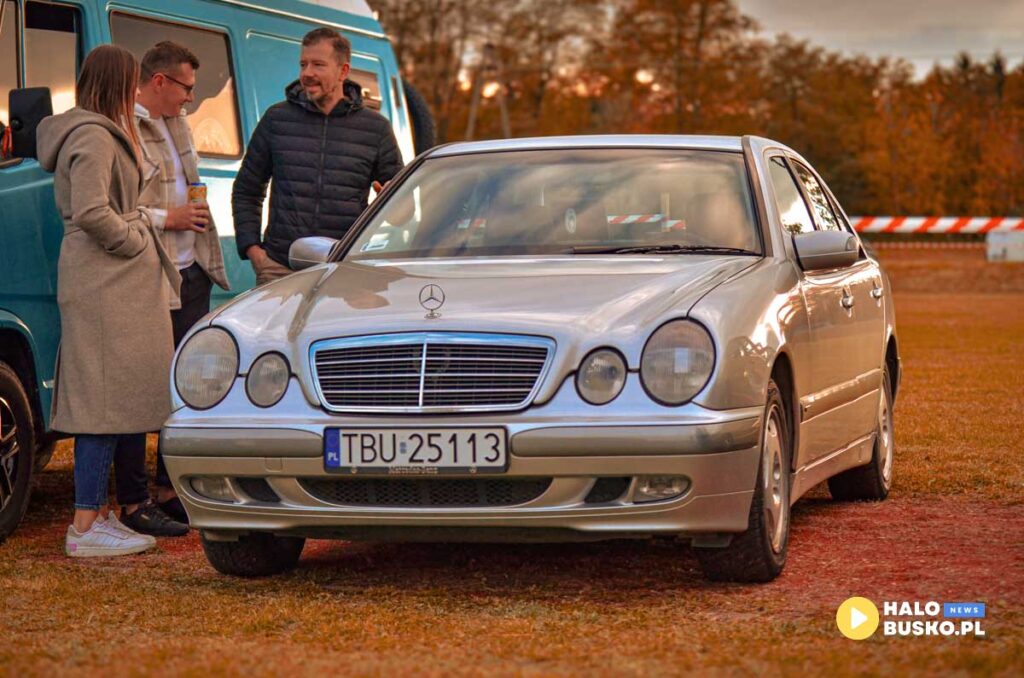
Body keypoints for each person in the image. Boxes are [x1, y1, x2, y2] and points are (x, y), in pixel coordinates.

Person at [37, 44, 181, 557]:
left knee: (114, 396)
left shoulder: (98, 132)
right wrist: (134, 239)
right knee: (100, 400)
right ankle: (83, 526)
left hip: (110, 282)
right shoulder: (94, 137)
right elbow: (93, 211)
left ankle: (98, 513)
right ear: (117, 83)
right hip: (104, 280)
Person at [113, 41, 231, 532]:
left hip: (192, 271)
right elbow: (119, 211)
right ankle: (133, 500)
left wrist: (193, 217)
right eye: (185, 87)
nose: (191, 97)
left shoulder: (178, 124)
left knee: (185, 387)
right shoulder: (126, 128)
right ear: (158, 81)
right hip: (152, 274)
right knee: (140, 387)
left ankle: (169, 490)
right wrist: (172, 216)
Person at [232, 27, 403, 285]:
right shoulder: (276, 119)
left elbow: (401, 205)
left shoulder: (376, 129)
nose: (307, 73)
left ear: (343, 71)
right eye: (303, 64)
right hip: (280, 269)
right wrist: (254, 252)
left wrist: (390, 201)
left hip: (344, 273)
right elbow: (247, 189)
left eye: (318, 65)